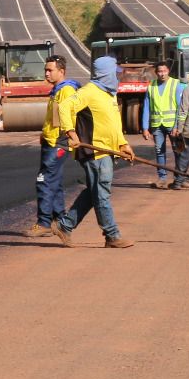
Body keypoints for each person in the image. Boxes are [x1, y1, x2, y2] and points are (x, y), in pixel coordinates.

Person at [52, 55, 136, 249]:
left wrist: (123, 144)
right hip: (94, 152)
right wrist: (71, 133)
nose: (117, 77)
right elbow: (64, 107)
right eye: (114, 73)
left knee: (94, 192)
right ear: (106, 74)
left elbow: (113, 125)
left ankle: (65, 226)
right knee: (102, 193)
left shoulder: (109, 94)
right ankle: (112, 235)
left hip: (107, 150)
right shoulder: (89, 92)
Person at [26, 54, 80, 237]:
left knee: (44, 180)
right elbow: (53, 118)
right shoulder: (57, 90)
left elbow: (67, 118)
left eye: (50, 70)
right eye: (45, 70)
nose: (46, 73)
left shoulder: (67, 91)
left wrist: (64, 138)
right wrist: (45, 133)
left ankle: (44, 222)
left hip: (59, 143)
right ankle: (60, 220)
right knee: (54, 183)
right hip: (51, 141)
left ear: (61, 71)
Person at [141, 59, 186, 189]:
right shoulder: (151, 86)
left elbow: (180, 107)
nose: (162, 74)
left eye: (164, 71)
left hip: (172, 125)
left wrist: (177, 126)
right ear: (156, 73)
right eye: (159, 71)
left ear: (168, 71)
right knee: (159, 152)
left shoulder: (176, 84)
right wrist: (145, 128)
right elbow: (146, 108)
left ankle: (179, 178)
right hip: (157, 125)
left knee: (178, 151)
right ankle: (162, 178)